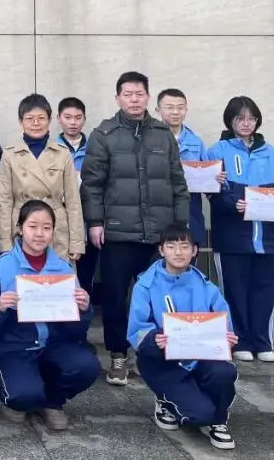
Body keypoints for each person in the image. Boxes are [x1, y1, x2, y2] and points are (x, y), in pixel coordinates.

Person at [81, 71, 189, 387]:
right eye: (127, 94)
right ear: (118, 98)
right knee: (115, 297)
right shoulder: (104, 134)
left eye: (139, 94)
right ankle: (118, 355)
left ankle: (153, 354)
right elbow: (91, 184)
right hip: (117, 232)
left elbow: (178, 182)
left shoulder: (163, 134)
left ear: (148, 97)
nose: (134, 99)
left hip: (159, 233)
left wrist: (179, 227)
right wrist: (95, 222)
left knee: (158, 295)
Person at [0, 200, 99, 431]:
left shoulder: (63, 269)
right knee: (22, 396)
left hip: (54, 344)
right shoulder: (0, 266)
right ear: (20, 228)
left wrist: (83, 309)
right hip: (14, 346)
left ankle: (52, 402)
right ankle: (14, 395)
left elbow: (76, 330)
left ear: (53, 231)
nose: (40, 233)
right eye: (33, 226)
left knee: (87, 366)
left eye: (46, 227)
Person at [127, 222, 238, 451]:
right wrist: (153, 338)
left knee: (224, 372)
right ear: (161, 250)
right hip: (163, 360)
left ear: (194, 250)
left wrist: (227, 339)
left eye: (184, 246)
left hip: (201, 356)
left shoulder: (206, 286)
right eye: (171, 246)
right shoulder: (145, 285)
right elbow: (136, 329)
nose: (178, 252)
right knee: (199, 414)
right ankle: (165, 400)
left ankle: (219, 421)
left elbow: (223, 321)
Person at [207, 96, 274, 364]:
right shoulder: (217, 150)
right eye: (240, 118)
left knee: (264, 290)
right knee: (234, 291)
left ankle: (262, 342)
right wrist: (231, 202)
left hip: (268, 238)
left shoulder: (270, 152)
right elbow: (212, 191)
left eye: (251, 118)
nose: (246, 123)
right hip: (233, 238)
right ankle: (241, 341)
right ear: (230, 121)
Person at [0, 94, 83, 262]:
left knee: (58, 275)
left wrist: (76, 242)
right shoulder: (10, 154)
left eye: (41, 118)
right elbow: (4, 202)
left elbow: (73, 200)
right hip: (23, 227)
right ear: (21, 122)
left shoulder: (62, 153)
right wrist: (5, 243)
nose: (36, 123)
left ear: (50, 120)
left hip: (55, 228)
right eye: (30, 119)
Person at [156, 89, 210, 246]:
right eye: (169, 107)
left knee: (188, 253)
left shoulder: (196, 141)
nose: (175, 112)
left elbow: (208, 177)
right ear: (158, 110)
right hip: (158, 208)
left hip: (190, 209)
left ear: (186, 110)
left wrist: (215, 178)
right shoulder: (149, 139)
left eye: (180, 107)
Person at [56, 97, 97, 298]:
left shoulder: (95, 148)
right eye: (68, 117)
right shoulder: (51, 148)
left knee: (87, 271)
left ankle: (84, 307)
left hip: (89, 216)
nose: (73, 122)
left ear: (84, 119)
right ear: (58, 119)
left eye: (78, 118)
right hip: (61, 218)